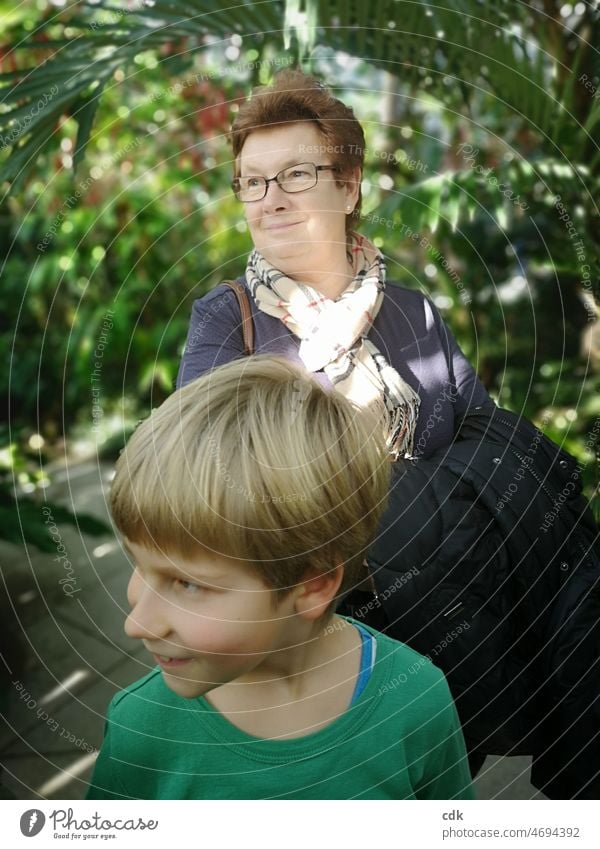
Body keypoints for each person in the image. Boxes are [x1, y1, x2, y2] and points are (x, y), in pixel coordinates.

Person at [86, 356, 474, 800]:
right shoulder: (142, 730)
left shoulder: (414, 702)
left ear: (312, 584)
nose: (136, 624)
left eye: (187, 583)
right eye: (140, 565)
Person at [177, 68, 492, 460]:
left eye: (295, 174)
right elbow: (207, 479)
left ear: (348, 187)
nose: (271, 201)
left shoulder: (417, 316)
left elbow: (491, 449)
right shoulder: (224, 319)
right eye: (254, 182)